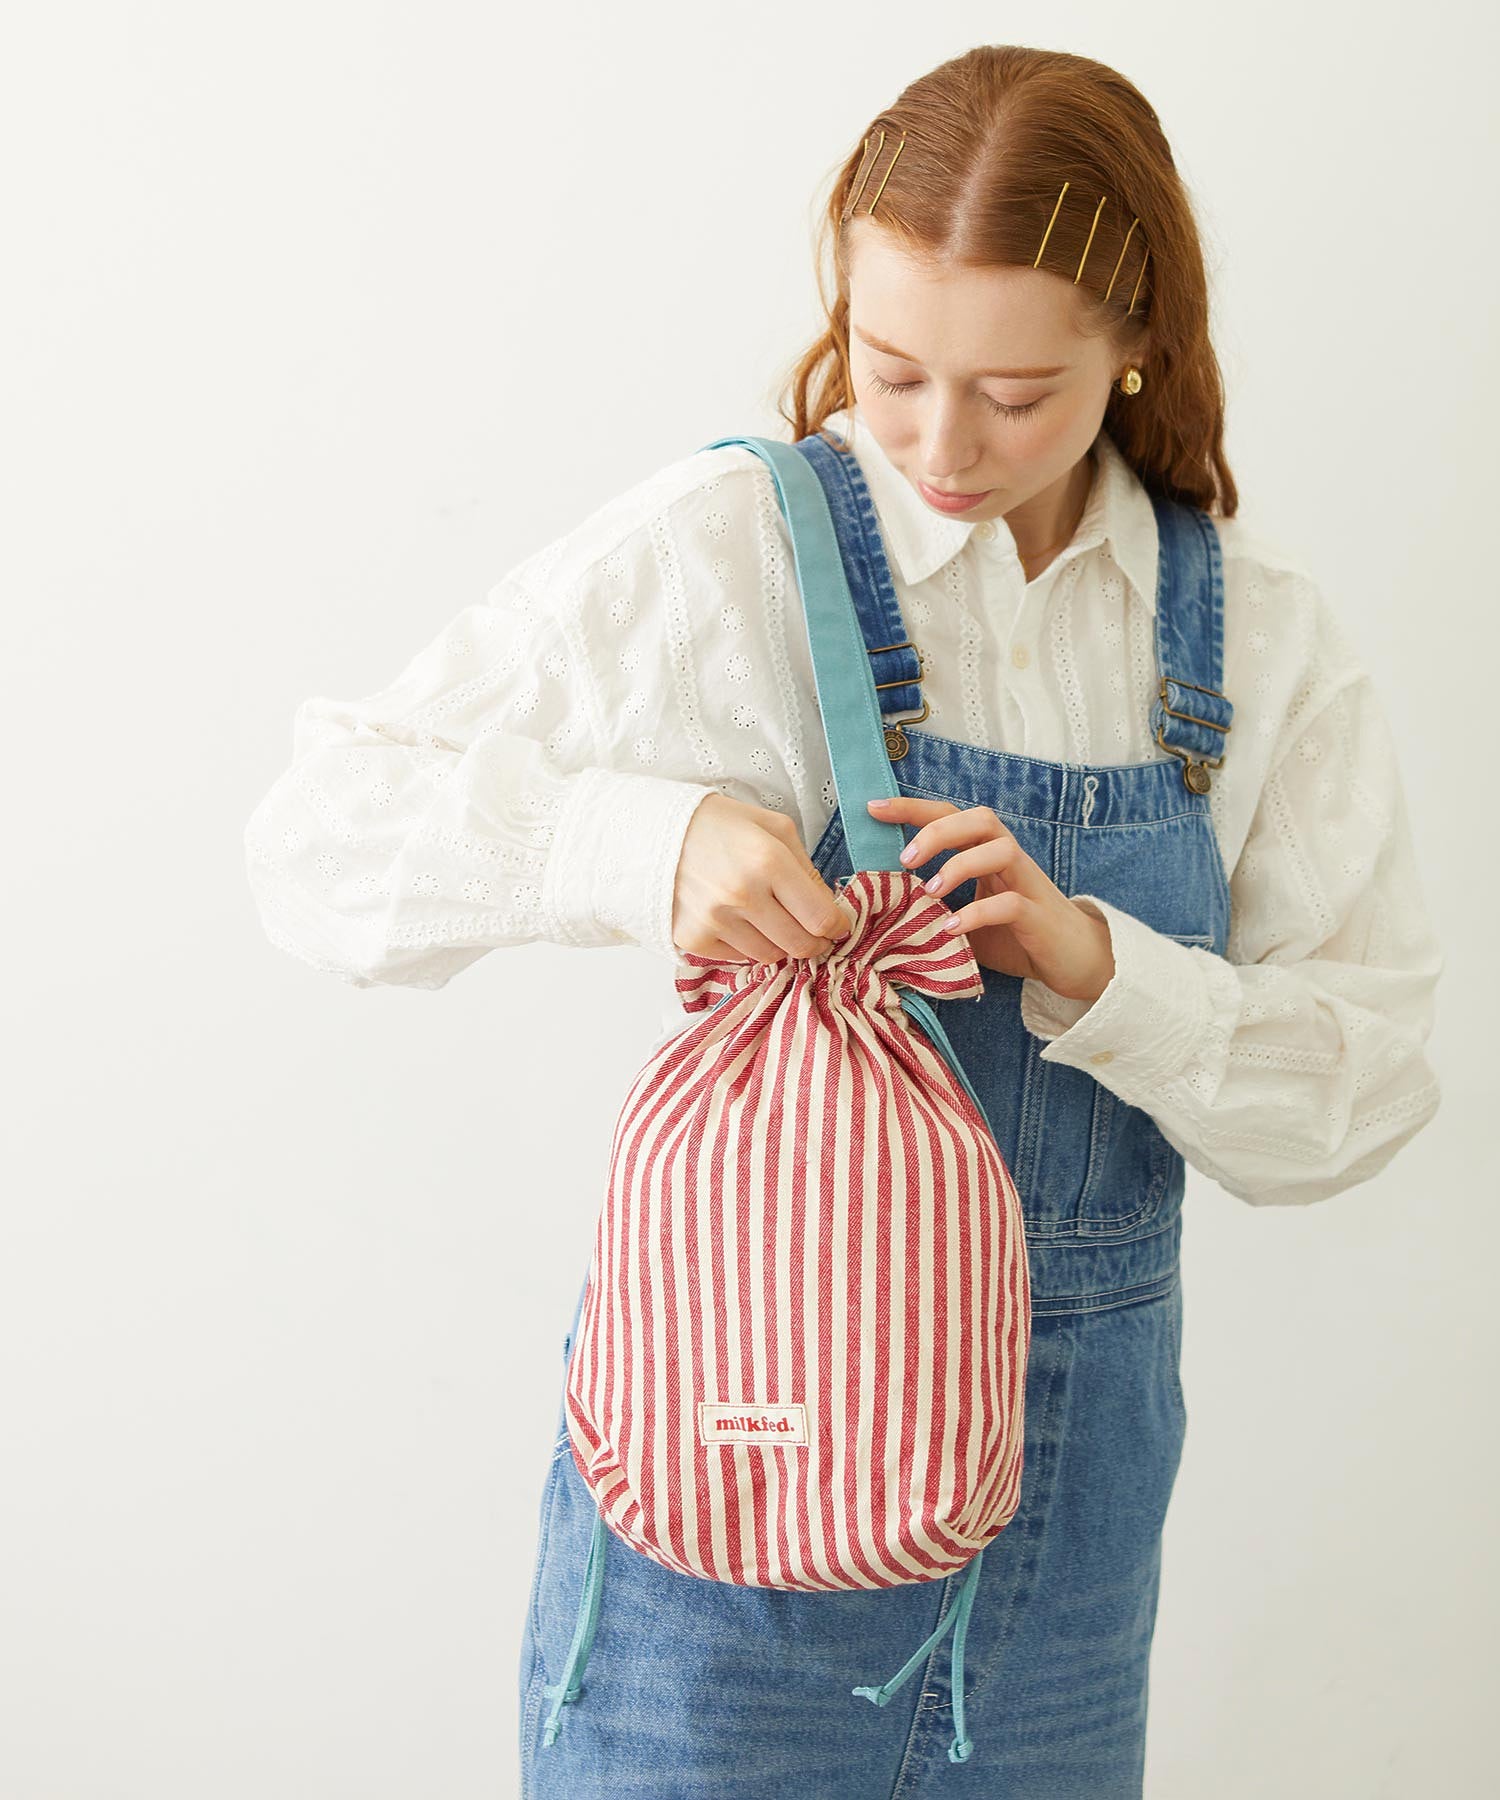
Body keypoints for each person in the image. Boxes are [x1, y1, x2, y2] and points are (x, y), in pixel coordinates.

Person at [242, 43, 1443, 1798]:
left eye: (1018, 393)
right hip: (725, 1506)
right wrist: (643, 844)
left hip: (1060, 1558)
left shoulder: (1253, 646)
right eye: (893, 373)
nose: (943, 447)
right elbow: (318, 836)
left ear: (1139, 345)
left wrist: (1103, 971)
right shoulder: (737, 549)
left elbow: (1365, 1089)